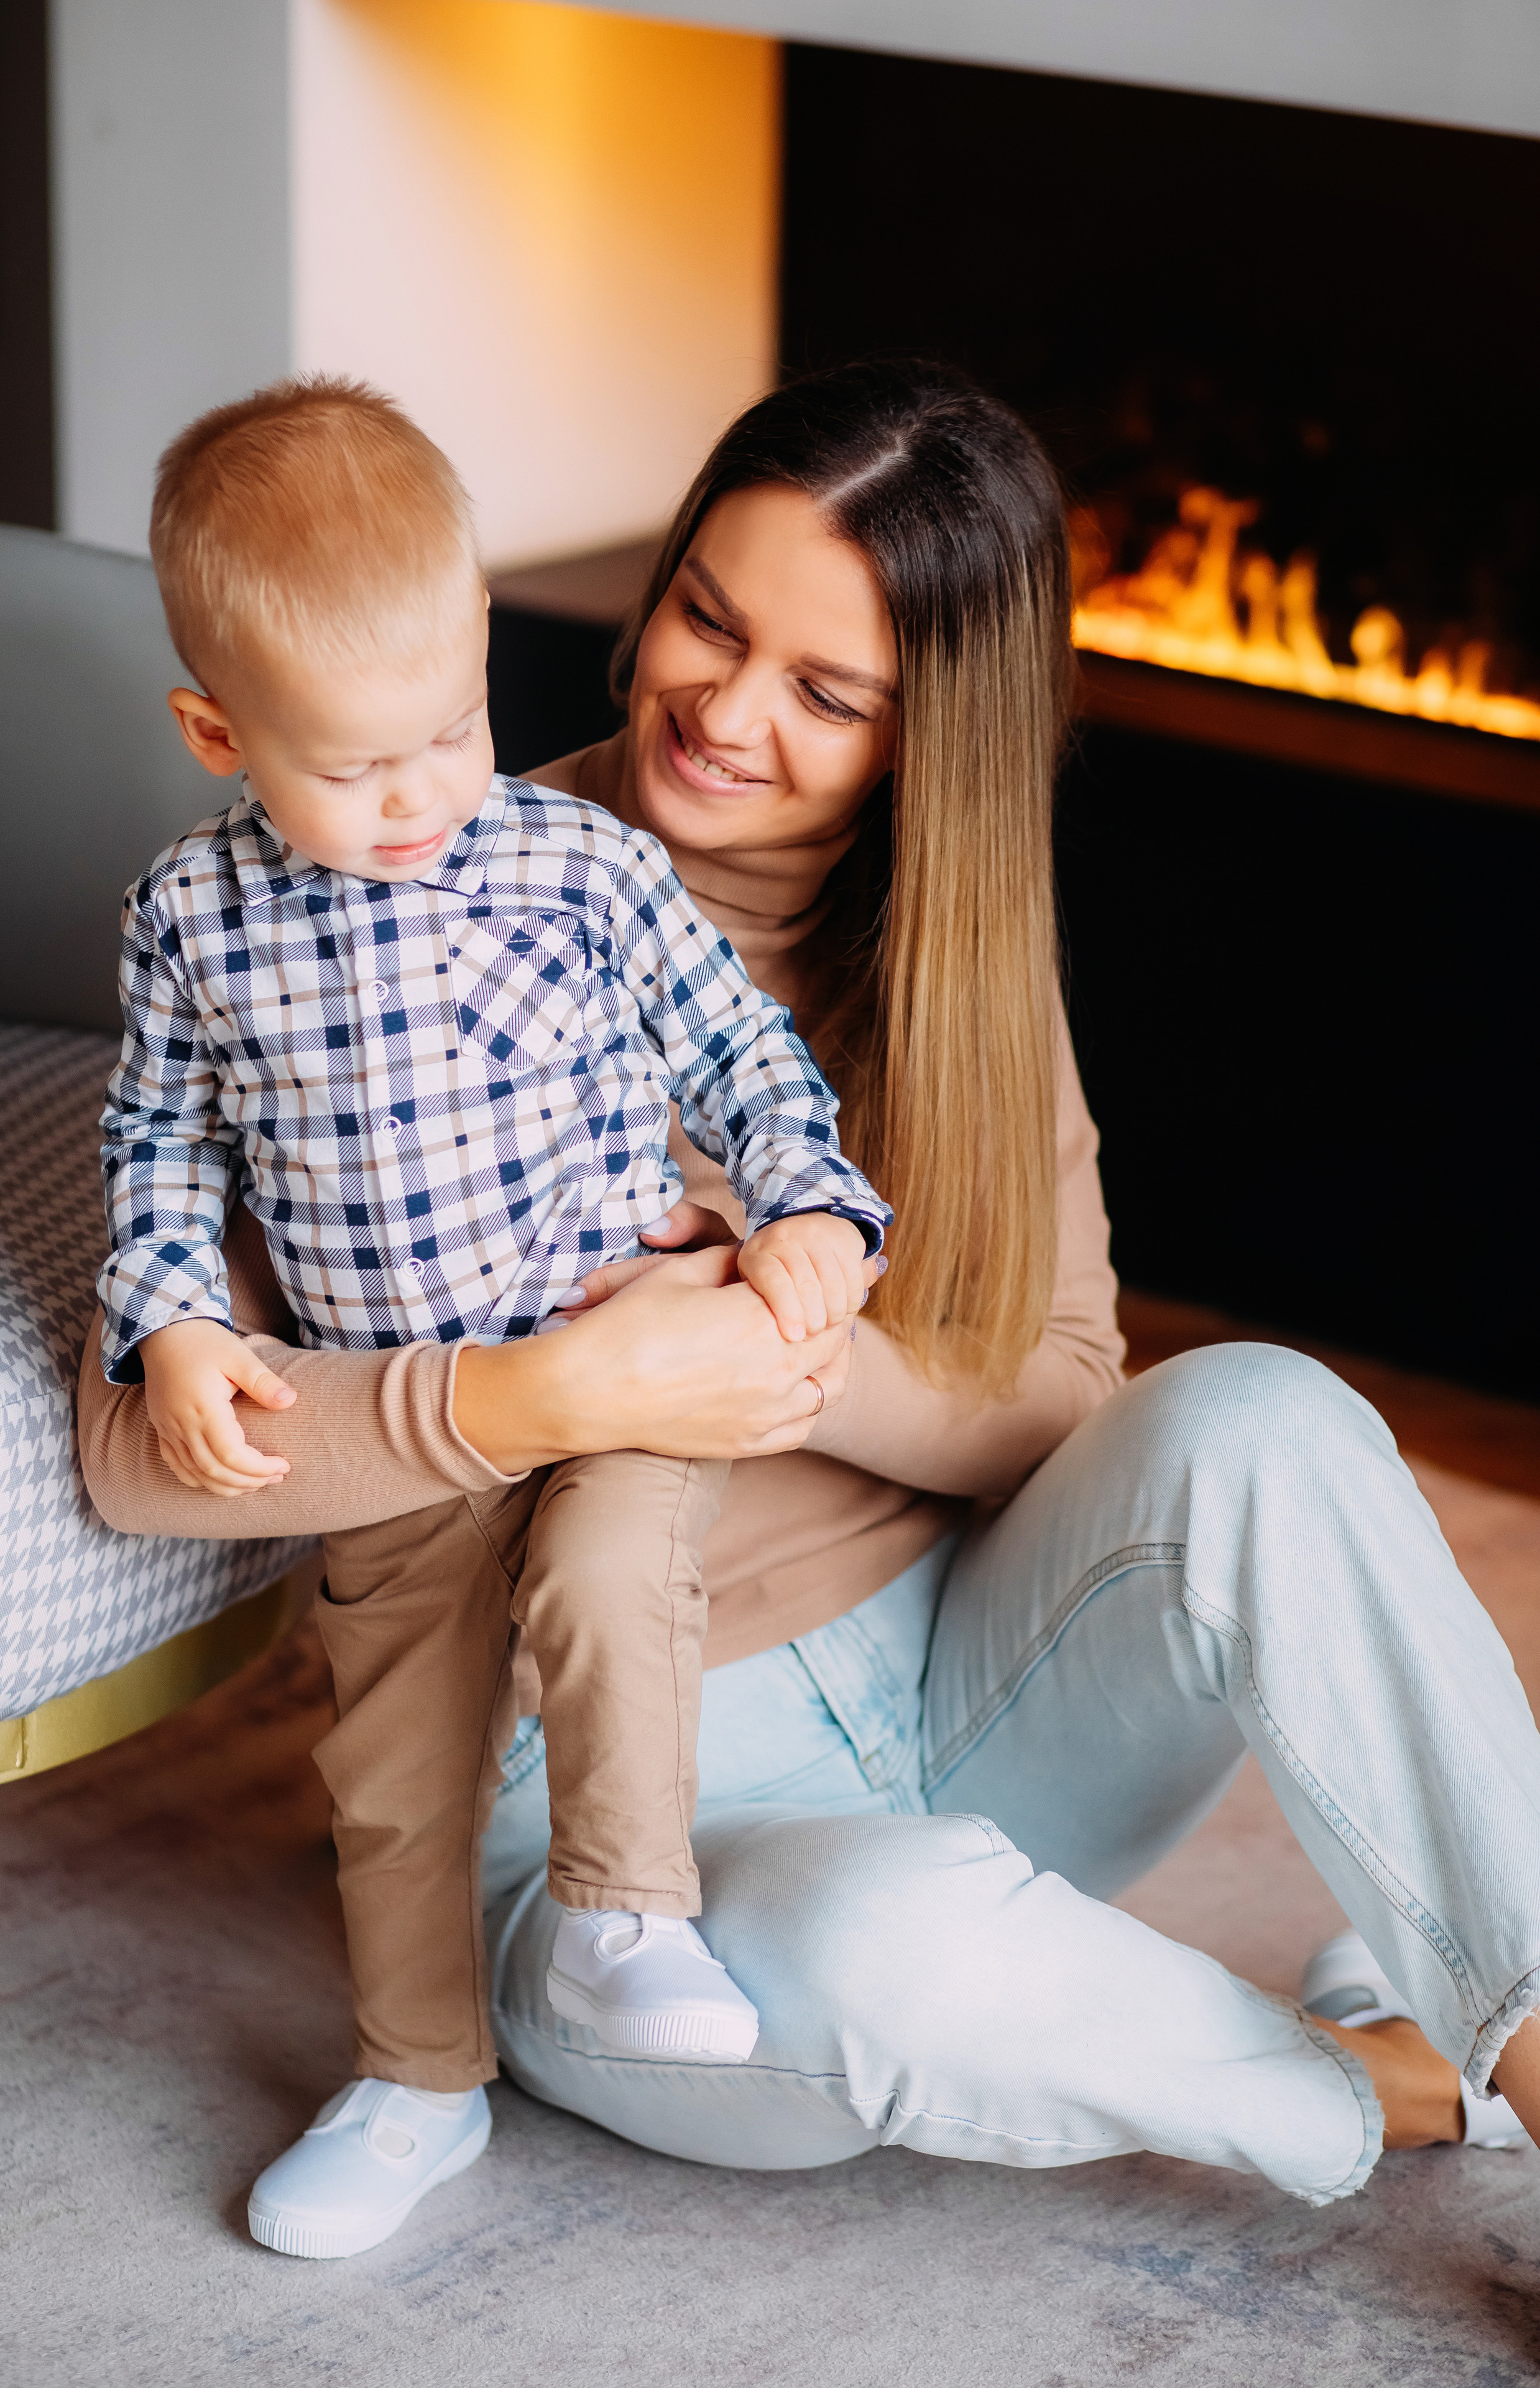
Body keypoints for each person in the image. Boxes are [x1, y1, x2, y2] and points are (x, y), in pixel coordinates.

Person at [81, 359, 1540, 2243]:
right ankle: (1375, 2074)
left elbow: (1071, 1391)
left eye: (828, 692)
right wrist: (562, 1389)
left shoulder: (958, 964)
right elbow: (141, 1455)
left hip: (974, 1675)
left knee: (1267, 1414)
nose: (723, 710)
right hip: (620, 1834)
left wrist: (783, 1354)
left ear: (930, 735)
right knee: (890, 1960)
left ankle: (1529, 2037)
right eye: (706, 614)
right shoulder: (380, 923)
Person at [96, 376, 888, 2259]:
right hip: (404, 1411)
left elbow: (748, 1058)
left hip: (619, 1355)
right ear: (219, 732)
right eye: (357, 766)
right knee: (394, 1769)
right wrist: (174, 1323)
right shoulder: (191, 924)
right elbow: (155, 1147)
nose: (420, 796)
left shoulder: (585, 866)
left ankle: (627, 1911)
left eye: (454, 729)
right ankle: (416, 2079)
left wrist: (814, 1219)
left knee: (618, 1585)